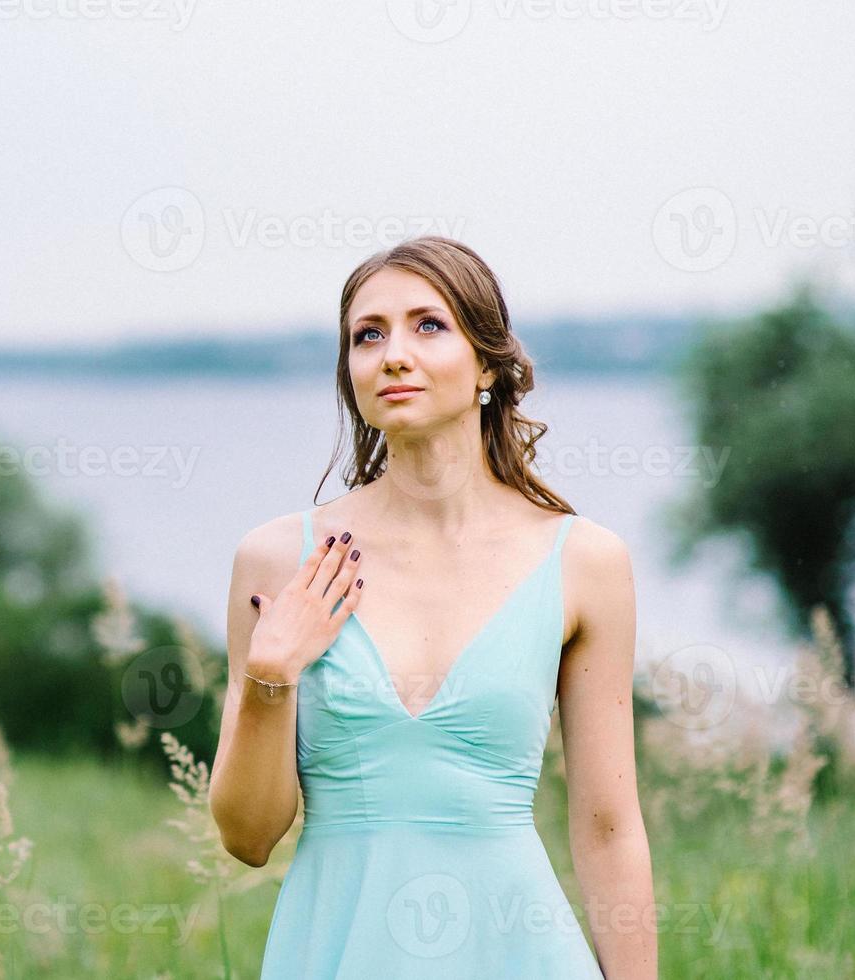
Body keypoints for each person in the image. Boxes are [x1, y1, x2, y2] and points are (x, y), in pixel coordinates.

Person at [208, 237, 657, 978]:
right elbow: (249, 837)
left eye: (429, 325)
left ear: (487, 364)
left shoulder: (584, 563)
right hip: (336, 952)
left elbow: (609, 830)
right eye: (368, 334)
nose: (392, 354)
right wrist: (271, 671)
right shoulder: (275, 561)